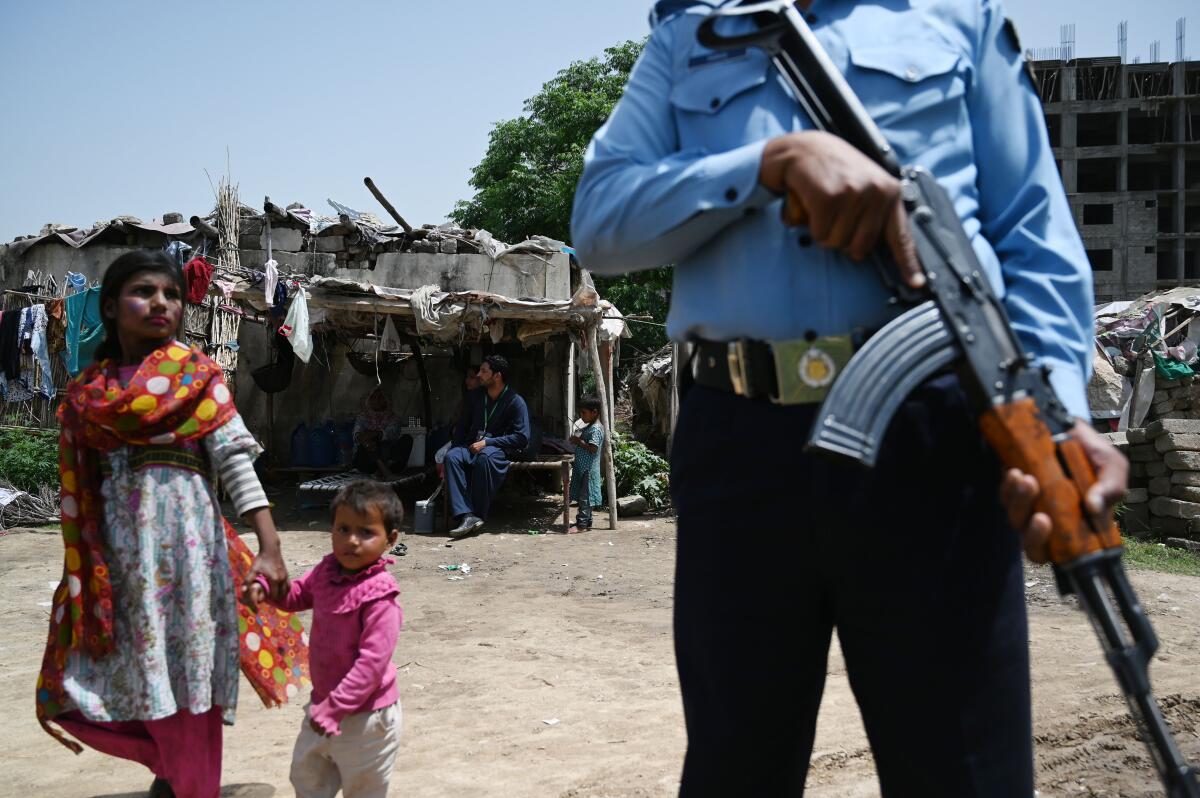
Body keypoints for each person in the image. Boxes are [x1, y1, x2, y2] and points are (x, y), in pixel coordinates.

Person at [570, 2, 1128, 795]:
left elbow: (1033, 238)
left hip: (937, 435)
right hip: (740, 438)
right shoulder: (695, 32)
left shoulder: (957, 19)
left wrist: (1059, 413)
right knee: (736, 765)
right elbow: (598, 220)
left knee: (964, 771)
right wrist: (768, 163)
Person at [35, 250, 304, 798]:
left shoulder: (199, 377)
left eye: (172, 294)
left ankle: (188, 775)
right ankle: (172, 762)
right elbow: (79, 489)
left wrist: (269, 547)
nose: (161, 302)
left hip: (193, 559)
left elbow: (234, 464)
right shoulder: (89, 395)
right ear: (109, 307)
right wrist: (84, 570)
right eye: (144, 291)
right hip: (119, 566)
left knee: (191, 671)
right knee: (99, 675)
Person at [248, 480, 403, 798]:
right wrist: (266, 587)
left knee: (363, 790)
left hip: (367, 720)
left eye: (366, 532)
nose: (352, 541)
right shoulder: (327, 571)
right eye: (343, 529)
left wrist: (335, 708)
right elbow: (294, 597)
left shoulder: (381, 597)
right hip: (322, 706)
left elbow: (372, 665)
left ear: (391, 539)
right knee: (307, 779)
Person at [444, 354, 530, 538]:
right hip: (472, 447)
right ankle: (465, 514)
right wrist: (456, 447)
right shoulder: (474, 396)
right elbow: (463, 426)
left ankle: (477, 514)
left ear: (497, 376)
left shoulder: (515, 401)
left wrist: (489, 442)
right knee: (452, 457)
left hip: (497, 450)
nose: (478, 374)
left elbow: (522, 437)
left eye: (484, 371)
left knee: (485, 458)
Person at [353, 387, 413, 478]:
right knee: (366, 442)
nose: (376, 400)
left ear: (386, 400)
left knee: (407, 438)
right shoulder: (362, 417)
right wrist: (366, 440)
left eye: (380, 397)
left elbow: (390, 434)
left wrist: (372, 434)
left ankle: (384, 468)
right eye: (373, 397)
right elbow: (357, 434)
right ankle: (383, 469)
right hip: (368, 464)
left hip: (390, 461)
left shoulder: (394, 419)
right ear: (368, 400)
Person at [567, 396, 604, 534]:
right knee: (584, 497)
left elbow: (593, 448)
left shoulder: (596, 429)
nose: (581, 416)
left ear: (594, 412)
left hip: (588, 469)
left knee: (584, 498)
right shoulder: (590, 426)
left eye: (584, 413)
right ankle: (586, 522)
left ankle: (582, 525)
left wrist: (578, 441)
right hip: (583, 468)